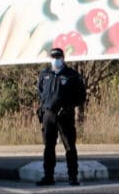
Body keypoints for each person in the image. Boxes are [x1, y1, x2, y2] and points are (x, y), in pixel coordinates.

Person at [36, 47, 87, 186]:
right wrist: (44, 106)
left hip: (65, 115)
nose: (56, 60)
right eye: (53, 57)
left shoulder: (71, 75)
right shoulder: (45, 74)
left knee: (69, 147)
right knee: (48, 147)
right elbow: (40, 92)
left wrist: (69, 106)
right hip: (48, 115)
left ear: (63, 58)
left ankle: (72, 176)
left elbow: (81, 96)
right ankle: (48, 176)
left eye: (58, 57)